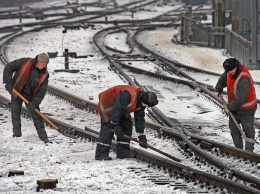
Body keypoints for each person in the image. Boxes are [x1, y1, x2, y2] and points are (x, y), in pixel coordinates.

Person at [95, 85, 159, 160]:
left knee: (127, 125)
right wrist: (115, 125)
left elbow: (140, 118)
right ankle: (101, 155)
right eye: (147, 105)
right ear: (142, 100)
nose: (147, 107)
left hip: (120, 109)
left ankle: (123, 154)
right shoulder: (127, 95)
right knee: (108, 128)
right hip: (107, 105)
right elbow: (117, 109)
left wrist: (142, 136)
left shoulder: (141, 102)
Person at [3, 53, 50, 143]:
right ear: (39, 62)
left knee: (37, 116)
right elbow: (9, 67)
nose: (45, 66)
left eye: (46, 64)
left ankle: (43, 137)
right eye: (44, 64)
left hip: (31, 96)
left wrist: (35, 103)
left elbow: (41, 92)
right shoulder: (25, 62)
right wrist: (8, 82)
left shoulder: (45, 74)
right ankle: (17, 136)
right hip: (17, 91)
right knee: (15, 113)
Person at [214, 58, 257, 152]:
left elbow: (241, 97)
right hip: (235, 108)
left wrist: (229, 107)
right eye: (228, 71)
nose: (230, 72)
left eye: (231, 70)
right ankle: (239, 151)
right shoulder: (229, 71)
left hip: (247, 109)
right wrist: (218, 89)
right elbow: (222, 80)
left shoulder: (244, 77)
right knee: (234, 130)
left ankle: (249, 152)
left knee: (248, 130)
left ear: (236, 67)